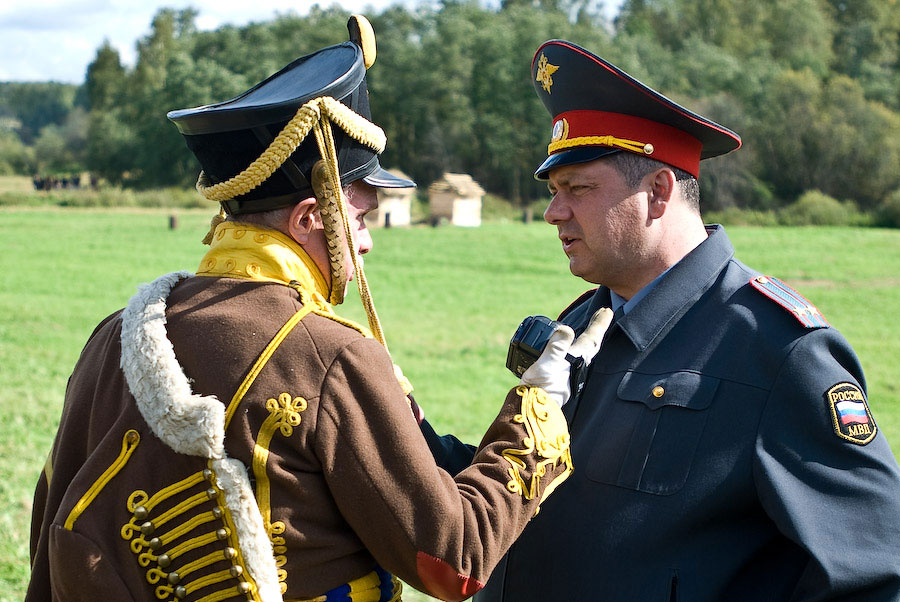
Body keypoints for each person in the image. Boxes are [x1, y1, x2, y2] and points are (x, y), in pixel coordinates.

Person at [25, 20, 613, 602]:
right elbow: (452, 559)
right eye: (360, 219)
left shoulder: (115, 334)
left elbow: (51, 529)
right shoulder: (328, 353)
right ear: (311, 218)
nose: (366, 241)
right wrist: (538, 407)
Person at [421, 40, 900, 601]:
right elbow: (531, 493)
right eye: (554, 192)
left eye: (577, 189)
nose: (554, 212)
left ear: (657, 191)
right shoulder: (586, 319)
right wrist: (399, 427)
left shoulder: (777, 348)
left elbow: (871, 576)